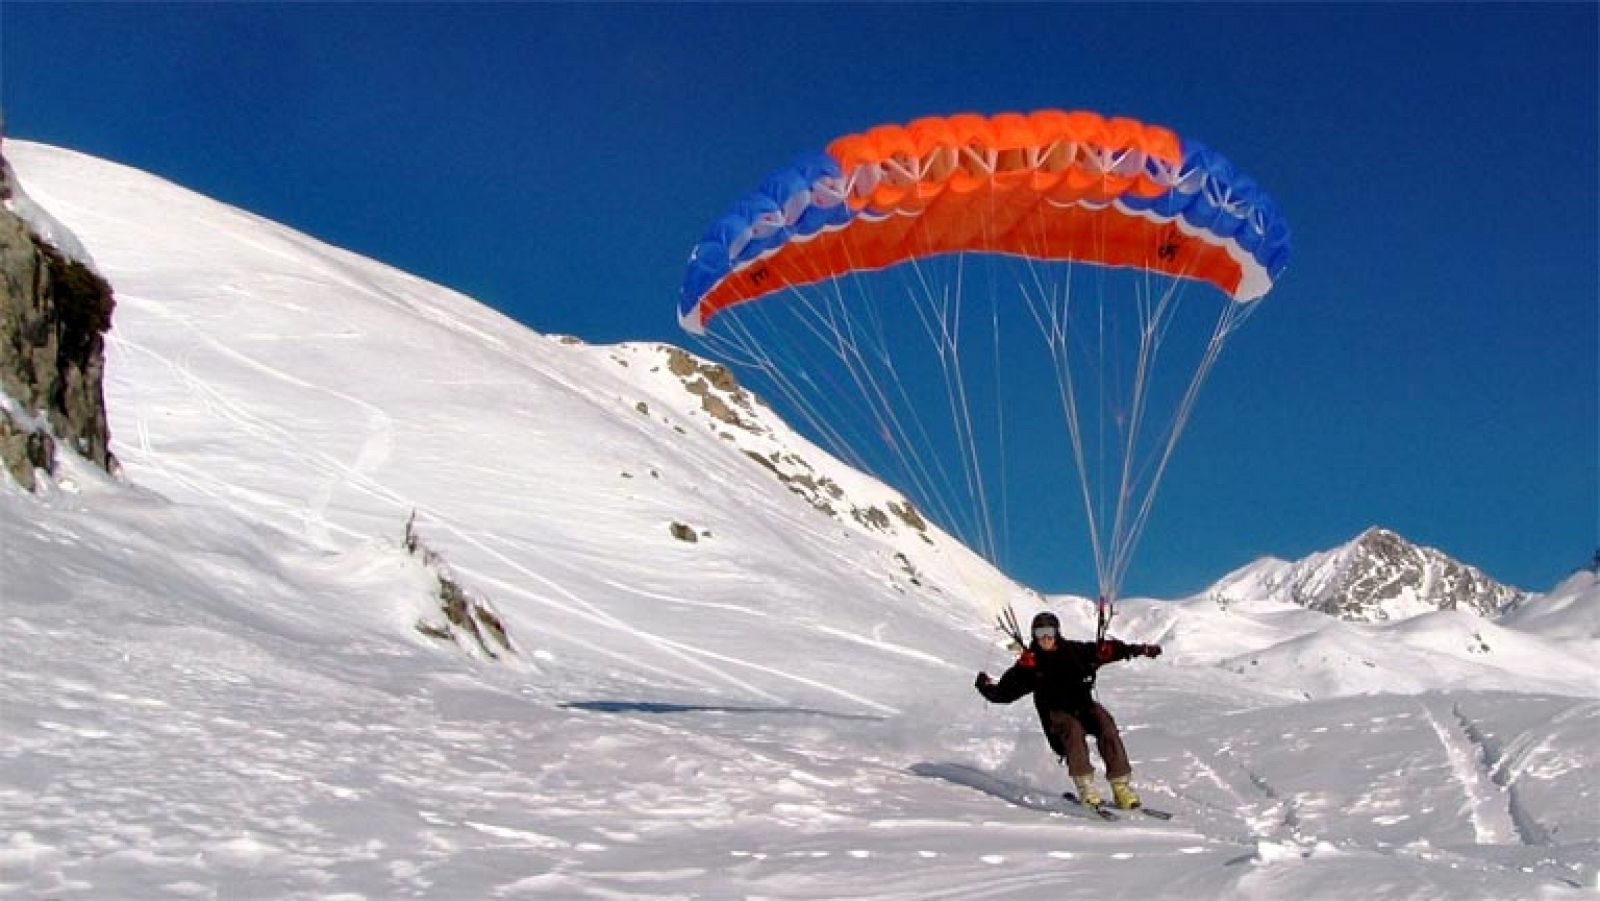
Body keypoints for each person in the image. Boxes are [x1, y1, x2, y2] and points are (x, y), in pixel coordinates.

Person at [974, 610, 1162, 809]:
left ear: (1057, 632)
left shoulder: (1075, 651)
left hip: (1084, 706)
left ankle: (1120, 787)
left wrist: (1142, 650)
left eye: (1049, 632)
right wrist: (986, 686)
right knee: (1073, 730)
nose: (1045, 638)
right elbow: (1004, 693)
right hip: (1056, 713)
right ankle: (1086, 788)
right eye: (1039, 633)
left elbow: (1111, 650)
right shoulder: (1030, 664)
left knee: (1106, 725)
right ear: (1034, 636)